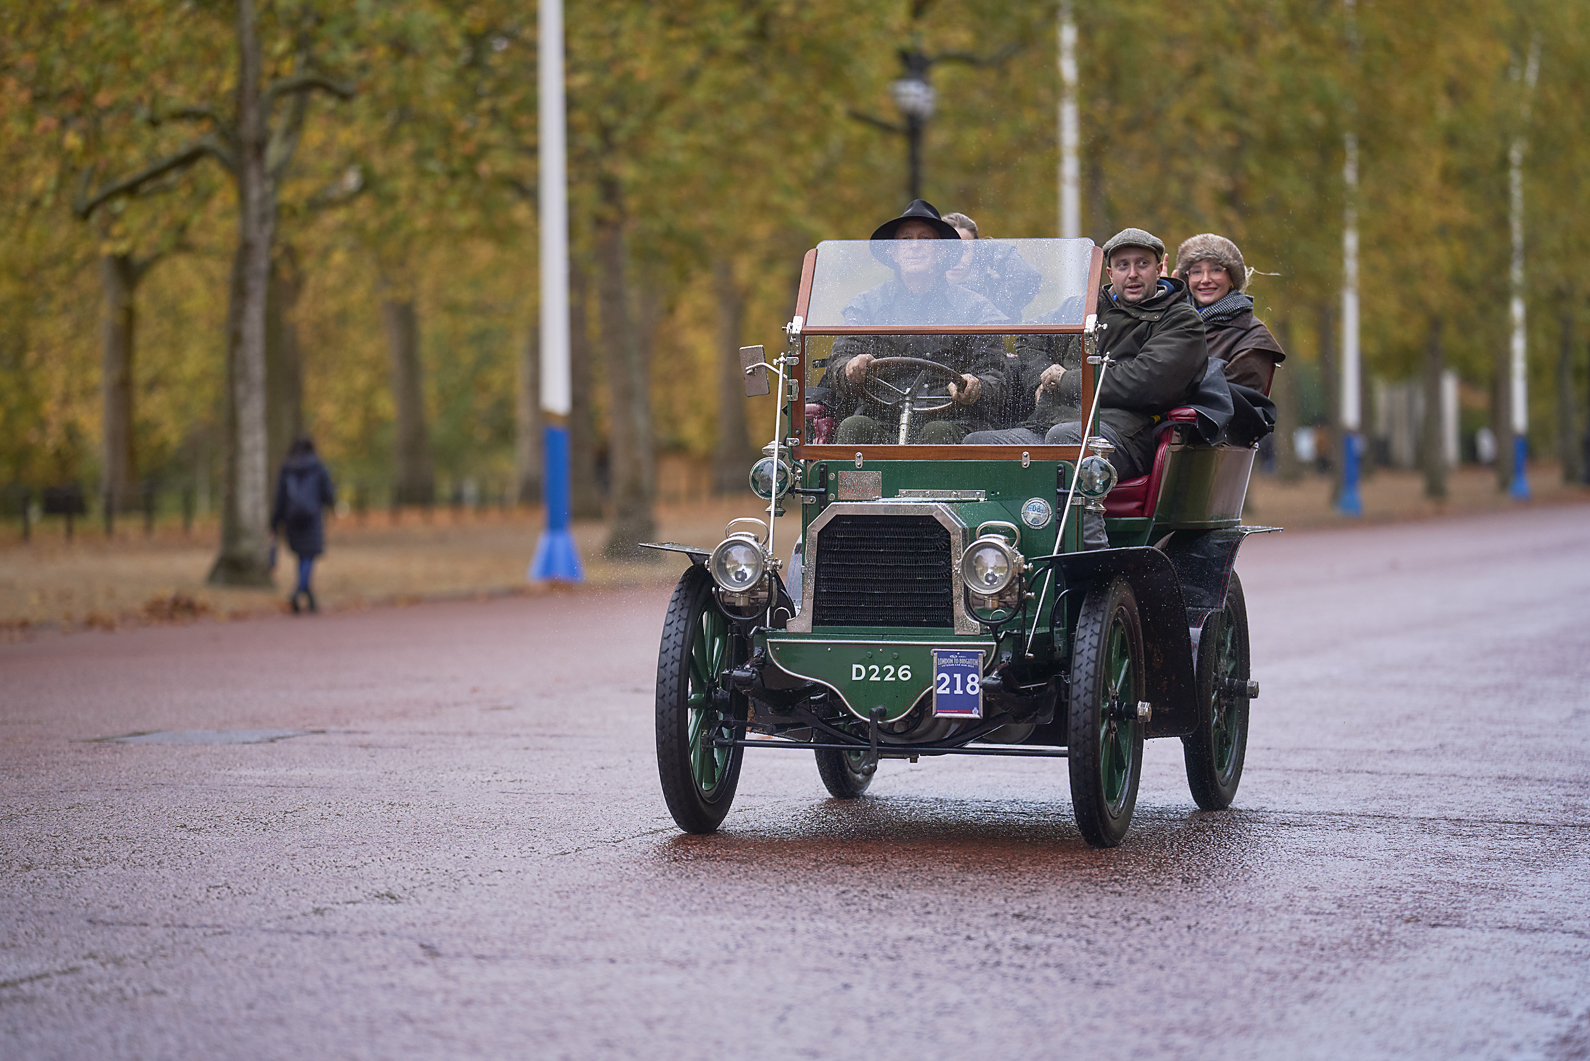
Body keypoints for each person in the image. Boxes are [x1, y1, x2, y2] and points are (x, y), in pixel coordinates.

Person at [965, 228, 1210, 483]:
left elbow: (1147, 381)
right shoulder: (1085, 306)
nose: (1133, 274)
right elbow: (1030, 336)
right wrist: (1043, 377)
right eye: (1123, 265)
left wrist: (1065, 380)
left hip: (1123, 432)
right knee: (978, 444)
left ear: (1158, 270)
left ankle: (1085, 523)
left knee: (1065, 439)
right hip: (1048, 424)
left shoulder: (1181, 319)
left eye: (1143, 264)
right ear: (1110, 273)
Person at [827, 200, 1008, 445]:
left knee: (937, 433)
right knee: (854, 427)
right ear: (894, 252)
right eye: (905, 240)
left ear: (942, 252)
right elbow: (838, 363)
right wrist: (851, 367)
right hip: (882, 417)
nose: (915, 247)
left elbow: (995, 377)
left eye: (925, 239)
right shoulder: (867, 305)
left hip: (952, 419)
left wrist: (974, 386)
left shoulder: (976, 310)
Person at [1173, 233, 1285, 394]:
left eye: (1216, 270)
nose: (1205, 279)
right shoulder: (1172, 321)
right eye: (1196, 272)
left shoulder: (1253, 337)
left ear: (1232, 278)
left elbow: (1235, 404)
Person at [271, 435, 336, 613]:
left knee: (301, 555)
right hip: (312, 516)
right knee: (308, 555)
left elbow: (280, 497)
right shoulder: (317, 466)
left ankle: (308, 594)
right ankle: (299, 589)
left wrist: (275, 521)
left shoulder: (287, 467)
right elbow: (327, 492)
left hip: (291, 518)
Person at [941, 211, 1044, 322]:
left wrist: (988, 248)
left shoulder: (992, 294)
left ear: (976, 252)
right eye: (950, 248)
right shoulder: (926, 290)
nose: (957, 257)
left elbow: (1027, 277)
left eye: (965, 249)